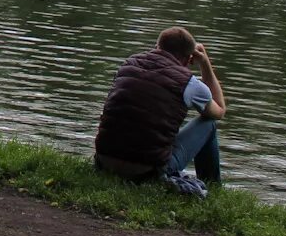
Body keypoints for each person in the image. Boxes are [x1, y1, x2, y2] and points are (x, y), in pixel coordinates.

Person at [93, 26, 227, 192]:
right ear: (188, 60)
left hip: (104, 162)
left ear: (157, 47)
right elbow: (219, 110)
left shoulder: (127, 66)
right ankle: (214, 187)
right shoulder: (189, 83)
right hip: (147, 171)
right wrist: (205, 63)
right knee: (209, 123)